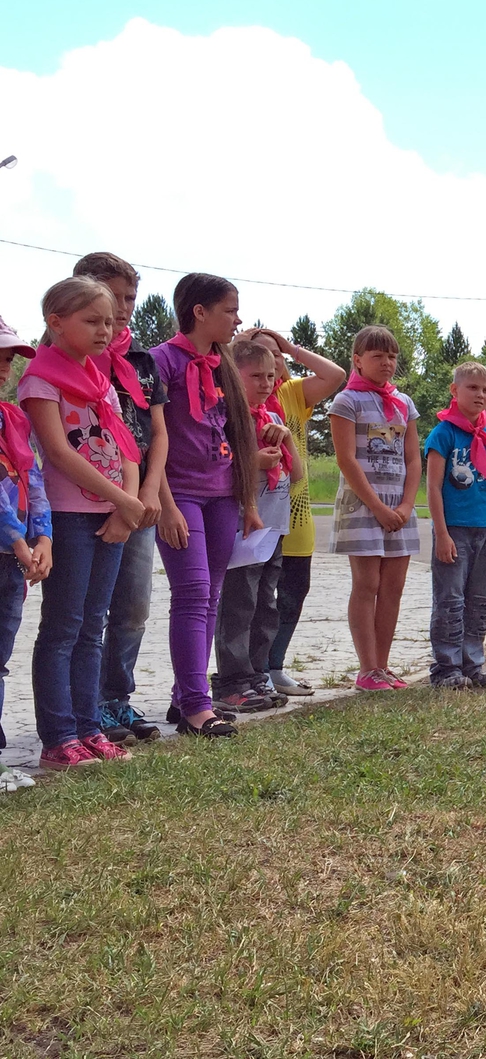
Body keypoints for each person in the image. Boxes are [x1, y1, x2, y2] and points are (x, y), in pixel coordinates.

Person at [19, 278, 143, 768]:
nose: (105, 330)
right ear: (56, 322)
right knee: (64, 626)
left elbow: (126, 447)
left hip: (112, 514)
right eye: (92, 321)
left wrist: (125, 505)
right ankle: (58, 737)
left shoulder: (102, 382)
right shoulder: (40, 380)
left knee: (94, 626)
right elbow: (56, 451)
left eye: (109, 322)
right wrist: (123, 500)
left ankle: (89, 729)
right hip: (69, 515)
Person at [149, 273, 261, 738]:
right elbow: (152, 439)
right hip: (180, 494)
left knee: (212, 594)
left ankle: (186, 696)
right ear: (200, 311)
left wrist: (247, 501)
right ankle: (198, 707)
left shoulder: (224, 364)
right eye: (230, 310)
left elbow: (239, 433)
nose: (237, 320)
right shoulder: (161, 360)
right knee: (192, 594)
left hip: (222, 496)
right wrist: (167, 505)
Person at [73, 253, 168, 746]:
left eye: (130, 298)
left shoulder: (142, 362)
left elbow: (155, 431)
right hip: (87, 499)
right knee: (84, 613)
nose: (125, 308)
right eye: (114, 298)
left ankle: (116, 699)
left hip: (139, 502)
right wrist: (120, 500)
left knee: (133, 606)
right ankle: (79, 709)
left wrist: (148, 492)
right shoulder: (70, 357)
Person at [240, 327, 345, 697]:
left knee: (292, 592)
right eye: (260, 357)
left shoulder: (291, 391)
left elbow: (335, 375)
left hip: (295, 511)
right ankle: (249, 672)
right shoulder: (242, 395)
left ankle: (275, 667)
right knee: (254, 596)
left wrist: (290, 348)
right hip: (258, 508)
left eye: (276, 357)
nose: (270, 365)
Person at [329, 325, 421, 691]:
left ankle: (383, 666)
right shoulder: (346, 402)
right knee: (367, 583)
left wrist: (406, 504)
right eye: (377, 356)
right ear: (358, 360)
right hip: (363, 505)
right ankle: (366, 668)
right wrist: (379, 508)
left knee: (393, 586)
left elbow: (413, 459)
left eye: (392, 356)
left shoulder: (404, 403)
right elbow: (346, 460)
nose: (386, 363)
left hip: (399, 506)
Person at [213, 341, 301, 711]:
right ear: (235, 375)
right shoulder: (230, 419)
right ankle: (231, 679)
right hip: (243, 527)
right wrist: (256, 460)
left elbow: (296, 474)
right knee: (239, 604)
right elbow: (219, 471)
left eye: (271, 375)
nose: (266, 383)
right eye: (256, 376)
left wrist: (287, 441)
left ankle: (256, 673)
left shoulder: (274, 419)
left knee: (267, 603)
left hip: (273, 525)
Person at [423, 361, 486, 688]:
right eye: (472, 388)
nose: (480, 395)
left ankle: (473, 664)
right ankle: (446, 668)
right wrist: (442, 532)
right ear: (454, 390)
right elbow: (433, 486)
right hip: (455, 529)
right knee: (450, 599)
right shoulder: (443, 433)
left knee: (479, 600)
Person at [0, 315, 50, 791]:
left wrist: (44, 538)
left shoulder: (13, 417)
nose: (4, 365)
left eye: (10, 357)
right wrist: (19, 541)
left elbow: (32, 480)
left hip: (11, 557)